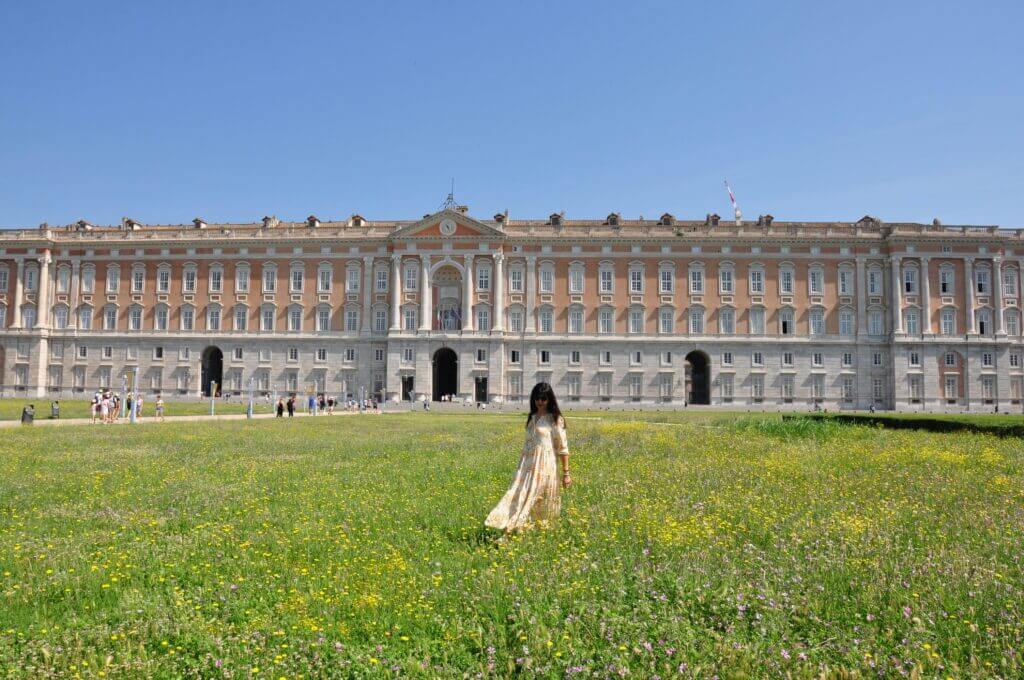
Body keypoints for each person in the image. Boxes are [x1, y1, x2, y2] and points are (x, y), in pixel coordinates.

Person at [484, 382, 571, 534]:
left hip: (545, 465)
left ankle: (531, 530)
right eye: (537, 398)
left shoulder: (556, 419)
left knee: (536, 497)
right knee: (519, 494)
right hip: (527, 465)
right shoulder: (532, 417)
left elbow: (563, 449)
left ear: (549, 399)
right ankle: (515, 528)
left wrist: (566, 473)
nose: (540, 402)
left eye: (544, 398)